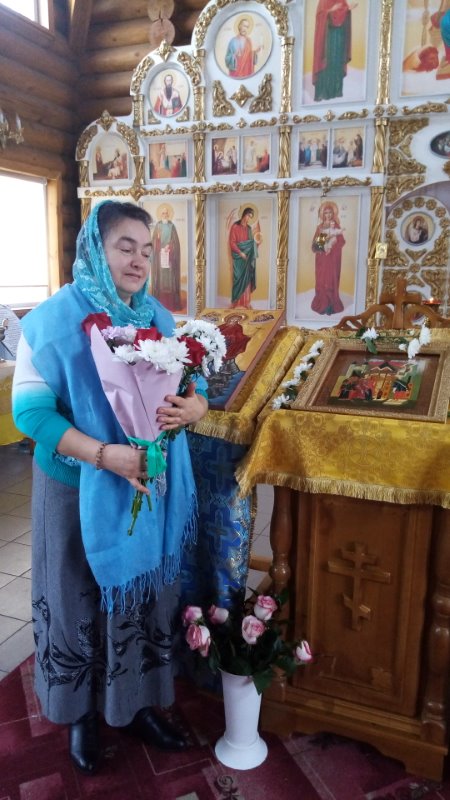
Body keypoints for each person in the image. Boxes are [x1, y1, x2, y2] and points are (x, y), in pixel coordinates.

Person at [11, 201, 208, 775]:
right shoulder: (53, 321)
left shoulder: (158, 319)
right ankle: (81, 716)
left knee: (141, 596)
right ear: (95, 250)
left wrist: (194, 407)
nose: (140, 261)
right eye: (126, 247)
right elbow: (31, 414)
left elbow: (192, 388)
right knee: (78, 596)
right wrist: (104, 456)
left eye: (148, 250)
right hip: (75, 487)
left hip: (144, 485)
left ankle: (137, 704)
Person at [312, 1, 357, 102]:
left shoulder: (342, 1)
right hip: (327, 40)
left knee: (337, 62)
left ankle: (336, 91)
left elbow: (343, 12)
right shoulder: (323, 1)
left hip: (339, 37)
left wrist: (347, 9)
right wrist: (331, 10)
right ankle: (324, 93)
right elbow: (320, 16)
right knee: (327, 63)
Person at [311, 202, 345, 315]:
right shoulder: (320, 227)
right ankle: (322, 304)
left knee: (330, 280)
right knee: (322, 280)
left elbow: (341, 241)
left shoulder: (336, 226)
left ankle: (330, 306)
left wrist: (332, 246)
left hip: (332, 259)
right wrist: (324, 242)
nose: (328, 215)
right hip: (322, 259)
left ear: (333, 213)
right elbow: (315, 245)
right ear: (323, 214)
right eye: (326, 213)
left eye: (330, 212)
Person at [151, 204, 182, 311]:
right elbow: (154, 241)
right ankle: (160, 304)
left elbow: (175, 242)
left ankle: (170, 304)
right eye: (163, 213)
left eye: (166, 213)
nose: (165, 215)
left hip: (169, 256)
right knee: (160, 280)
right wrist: (159, 246)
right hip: (160, 256)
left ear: (169, 214)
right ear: (161, 214)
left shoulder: (172, 226)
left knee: (169, 280)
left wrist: (170, 246)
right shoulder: (158, 226)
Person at [228, 206, 258, 308]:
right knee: (238, 279)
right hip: (238, 258)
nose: (248, 219)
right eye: (248, 216)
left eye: (250, 217)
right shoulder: (235, 227)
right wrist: (240, 253)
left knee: (247, 280)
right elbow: (232, 242)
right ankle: (236, 303)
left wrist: (256, 244)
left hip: (247, 258)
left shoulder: (249, 229)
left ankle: (246, 303)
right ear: (244, 214)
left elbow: (250, 244)